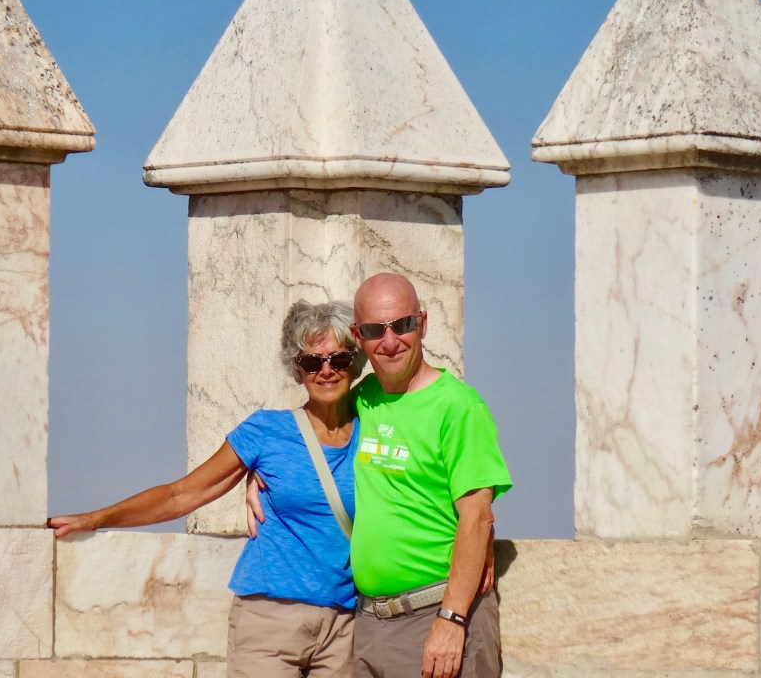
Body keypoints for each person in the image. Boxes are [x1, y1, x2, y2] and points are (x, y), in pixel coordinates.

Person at [47, 300, 366, 678]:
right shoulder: (266, 432)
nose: (326, 370)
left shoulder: (377, 430)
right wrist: (97, 518)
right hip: (270, 619)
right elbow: (182, 495)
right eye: (312, 362)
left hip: (347, 625)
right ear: (297, 372)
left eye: (339, 359)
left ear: (355, 364)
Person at [348, 272, 512, 678]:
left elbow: (477, 516)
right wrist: (257, 477)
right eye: (375, 330)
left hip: (437, 618)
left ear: (422, 323)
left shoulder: (459, 407)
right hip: (368, 623)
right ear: (357, 336)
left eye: (402, 325)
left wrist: (452, 620)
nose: (390, 342)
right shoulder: (363, 399)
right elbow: (313, 435)